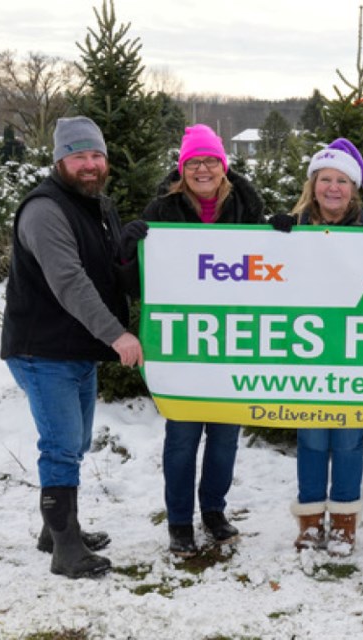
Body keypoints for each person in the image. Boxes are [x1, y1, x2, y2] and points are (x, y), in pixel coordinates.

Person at [1, 116, 143, 579]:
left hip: (75, 349)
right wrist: (117, 334)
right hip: (43, 349)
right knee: (62, 446)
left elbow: (106, 270)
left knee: (76, 442)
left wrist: (129, 253)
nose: (90, 164)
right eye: (79, 155)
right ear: (60, 159)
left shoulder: (95, 205)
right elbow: (69, 282)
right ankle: (66, 551)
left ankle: (56, 530)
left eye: (96, 155)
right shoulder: (45, 210)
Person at [139, 124, 266, 557]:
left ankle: (213, 510)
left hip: (234, 337)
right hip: (186, 340)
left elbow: (271, 266)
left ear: (223, 166)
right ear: (182, 169)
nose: (203, 168)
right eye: (194, 162)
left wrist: (284, 233)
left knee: (225, 436)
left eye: (211, 160)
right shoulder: (163, 208)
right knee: (183, 436)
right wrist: (130, 247)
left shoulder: (248, 205)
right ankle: (178, 521)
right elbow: (138, 278)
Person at [277, 138, 363, 556]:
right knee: (312, 439)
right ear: (313, 184)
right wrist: (274, 238)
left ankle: (343, 521)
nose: (334, 188)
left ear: (354, 188)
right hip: (309, 351)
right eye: (326, 180)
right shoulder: (295, 226)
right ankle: (308, 521)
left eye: (342, 180)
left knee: (347, 440)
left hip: (354, 352)